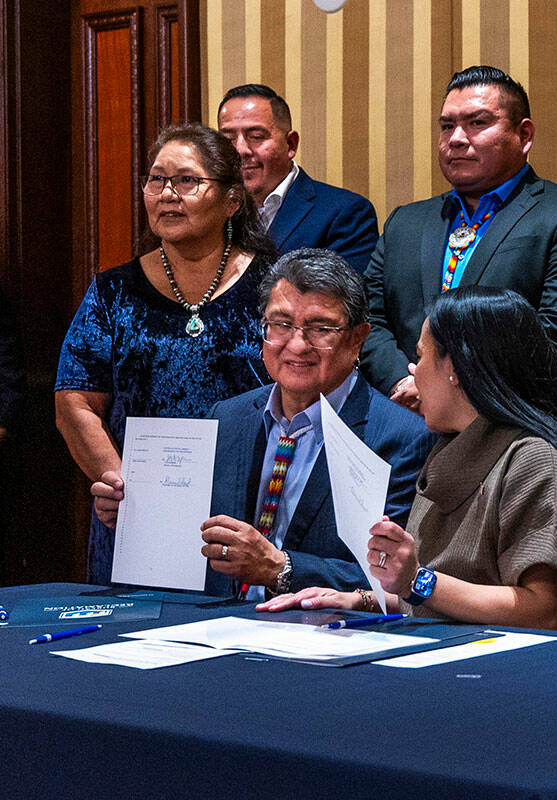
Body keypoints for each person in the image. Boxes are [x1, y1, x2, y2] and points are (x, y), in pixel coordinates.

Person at [260, 287, 557, 631]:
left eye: (422, 356)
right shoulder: (448, 448)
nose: (413, 371)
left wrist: (417, 579)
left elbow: (543, 612)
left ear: (457, 370)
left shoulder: (536, 460)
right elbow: (442, 601)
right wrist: (359, 599)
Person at [91, 249, 434, 599]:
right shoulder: (227, 417)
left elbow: (396, 579)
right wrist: (139, 513)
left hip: (319, 635)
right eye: (281, 324)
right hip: (216, 625)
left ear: (357, 338)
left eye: (320, 329)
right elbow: (192, 535)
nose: (297, 345)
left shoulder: (402, 438)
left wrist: (281, 568)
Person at [56, 123, 276, 584]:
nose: (166, 194)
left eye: (187, 180)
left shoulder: (275, 287)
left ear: (232, 200)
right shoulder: (113, 291)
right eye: (156, 180)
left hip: (250, 512)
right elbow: (75, 402)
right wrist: (123, 487)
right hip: (137, 515)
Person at [359, 65, 557, 406]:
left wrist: (446, 388)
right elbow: (368, 320)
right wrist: (403, 381)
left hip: (511, 427)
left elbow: (556, 335)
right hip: (404, 419)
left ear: (524, 135)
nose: (456, 139)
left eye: (477, 123)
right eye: (447, 126)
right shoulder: (405, 222)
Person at [218, 84, 379, 273]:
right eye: (228, 140)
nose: (240, 150)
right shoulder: (211, 209)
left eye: (256, 137)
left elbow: (341, 299)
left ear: (290, 144)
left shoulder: (345, 213)